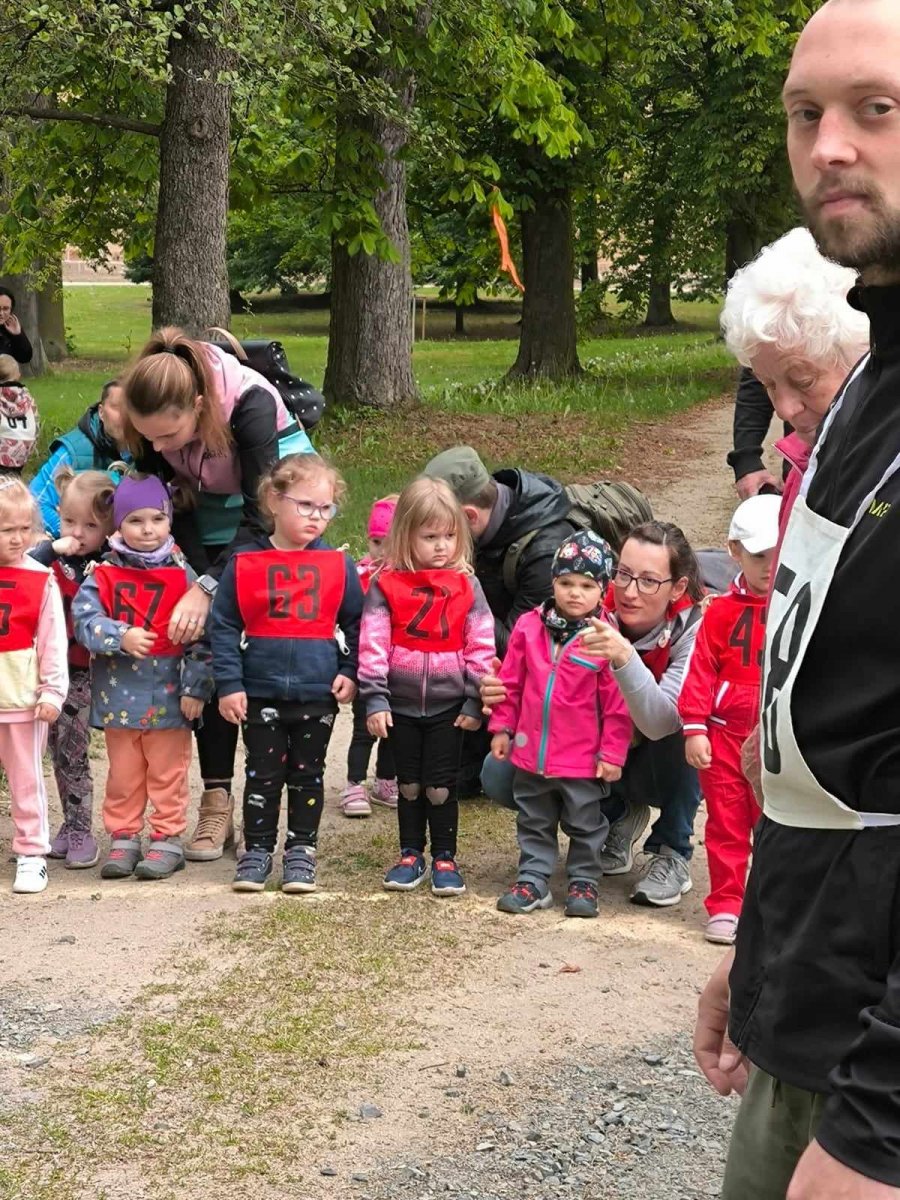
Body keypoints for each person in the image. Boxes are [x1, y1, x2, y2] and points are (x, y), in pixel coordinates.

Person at [694, 2, 900, 1196]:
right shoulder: (868, 391)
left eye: (877, 108)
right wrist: (761, 951)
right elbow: (831, 716)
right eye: (804, 112)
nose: (830, 146)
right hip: (813, 996)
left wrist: (880, 1130)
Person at [120, 326, 313, 863]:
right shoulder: (152, 422)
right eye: (150, 438)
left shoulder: (250, 407)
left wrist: (208, 587)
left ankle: (264, 803)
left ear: (200, 407)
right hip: (201, 508)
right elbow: (165, 504)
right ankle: (217, 797)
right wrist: (194, 575)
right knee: (205, 648)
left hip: (270, 508)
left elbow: (261, 516)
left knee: (259, 653)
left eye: (168, 435)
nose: (159, 447)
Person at [482, 520, 706, 908]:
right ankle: (616, 816)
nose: (630, 592)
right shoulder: (577, 606)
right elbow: (523, 676)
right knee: (500, 773)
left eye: (648, 581)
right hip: (581, 747)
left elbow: (661, 722)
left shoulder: (695, 627)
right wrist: (501, 699)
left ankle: (670, 849)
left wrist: (623, 656)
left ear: (677, 587)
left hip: (655, 750)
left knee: (690, 723)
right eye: (623, 574)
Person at [209, 453, 362, 894]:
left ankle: (301, 851)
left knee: (308, 774)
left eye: (326, 508)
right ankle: (257, 851)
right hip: (260, 691)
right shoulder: (244, 563)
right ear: (274, 501)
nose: (317, 517)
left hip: (317, 692)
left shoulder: (338, 565)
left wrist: (350, 670)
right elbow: (223, 626)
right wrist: (229, 684)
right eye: (306, 505)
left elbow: (357, 623)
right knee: (262, 773)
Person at [359, 477, 495, 897]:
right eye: (430, 537)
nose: (441, 546)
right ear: (406, 535)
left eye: (449, 536)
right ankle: (410, 854)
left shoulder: (468, 586)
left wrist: (474, 699)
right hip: (400, 704)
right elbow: (373, 643)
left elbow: (481, 644)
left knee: (440, 785)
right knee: (409, 784)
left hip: (448, 705)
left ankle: (445, 858)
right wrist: (375, 698)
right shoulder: (385, 585)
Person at [73, 475, 213, 882]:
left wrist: (196, 688)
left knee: (168, 773)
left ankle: (167, 837)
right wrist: (119, 635)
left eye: (157, 518)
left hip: (171, 698)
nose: (148, 529)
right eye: (135, 520)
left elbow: (204, 637)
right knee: (124, 774)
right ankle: (124, 835)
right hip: (119, 700)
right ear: (118, 523)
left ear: (170, 520)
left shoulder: (185, 575)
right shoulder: (102, 574)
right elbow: (83, 621)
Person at [488, 531, 632, 919]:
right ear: (553, 582)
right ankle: (533, 878)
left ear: (602, 591)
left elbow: (617, 706)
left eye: (587, 586)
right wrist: (502, 727)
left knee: (585, 822)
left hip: (581, 759)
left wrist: (612, 753)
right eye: (566, 583)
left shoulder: (604, 639)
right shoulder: (528, 627)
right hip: (530, 752)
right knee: (533, 819)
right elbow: (511, 683)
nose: (574, 593)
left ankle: (584, 880)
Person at [720, 226, 869, 549]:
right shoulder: (802, 469)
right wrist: (746, 457)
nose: (784, 410)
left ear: (865, 353)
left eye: (804, 382)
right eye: (769, 384)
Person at [679, 495, 780, 945]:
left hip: (775, 737)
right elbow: (700, 670)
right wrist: (695, 726)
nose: (769, 566)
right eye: (759, 556)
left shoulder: (795, 605)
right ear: (735, 550)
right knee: (726, 824)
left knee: (775, 825)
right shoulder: (718, 611)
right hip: (723, 737)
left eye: (777, 554)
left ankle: (774, 906)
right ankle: (726, 904)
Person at [30, 469, 117, 870]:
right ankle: (70, 823)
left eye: (90, 526)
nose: (77, 533)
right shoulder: (51, 559)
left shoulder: (108, 563)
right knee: (58, 750)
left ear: (109, 527)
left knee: (74, 749)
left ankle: (82, 829)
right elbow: (25, 566)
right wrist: (53, 546)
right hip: (52, 668)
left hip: (85, 671)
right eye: (69, 521)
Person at [0, 478, 67, 894]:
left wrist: (52, 691)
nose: (18, 538)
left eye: (26, 528)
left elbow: (53, 641)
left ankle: (32, 853)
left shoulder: (41, 579)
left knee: (26, 780)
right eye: (7, 530)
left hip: (22, 699)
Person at [340, 494, 399, 818]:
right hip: (368, 667)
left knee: (394, 728)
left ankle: (386, 780)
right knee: (364, 728)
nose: (382, 551)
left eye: (389, 543)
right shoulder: (359, 575)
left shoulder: (407, 577)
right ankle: (354, 782)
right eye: (377, 542)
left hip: (399, 667)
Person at [29, 380, 131, 537]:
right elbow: (35, 503)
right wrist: (77, 535)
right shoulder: (73, 451)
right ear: (101, 412)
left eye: (131, 409)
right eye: (117, 407)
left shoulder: (154, 448)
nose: (125, 416)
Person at [0, 355, 38, 473]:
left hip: (3, 448)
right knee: (13, 477)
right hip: (24, 448)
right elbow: (36, 422)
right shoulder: (27, 397)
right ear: (18, 376)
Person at [0, 288, 33, 364]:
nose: (1, 313)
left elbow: (25, 357)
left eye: (5, 309)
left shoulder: (9, 327)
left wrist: (18, 335)